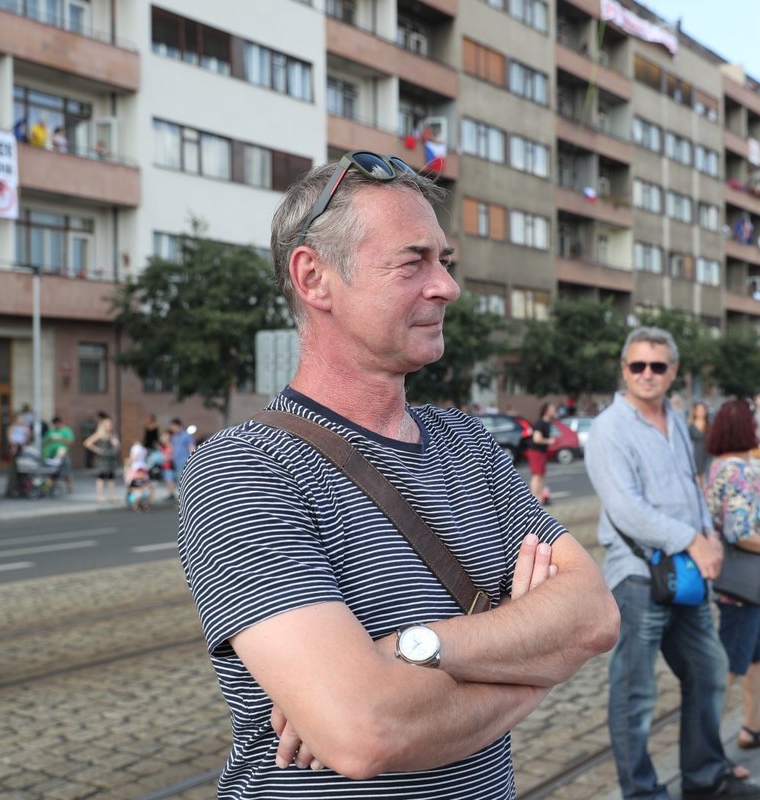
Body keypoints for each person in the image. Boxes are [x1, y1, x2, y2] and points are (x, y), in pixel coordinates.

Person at [176, 152, 617, 798]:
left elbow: (595, 615)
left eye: (444, 261)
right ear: (315, 279)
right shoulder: (244, 470)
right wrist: (535, 649)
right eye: (414, 262)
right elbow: (366, 731)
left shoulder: (466, 442)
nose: (447, 287)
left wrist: (412, 648)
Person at [586, 326, 760, 800]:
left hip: (685, 574)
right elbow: (625, 508)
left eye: (657, 366)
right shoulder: (609, 428)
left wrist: (708, 533)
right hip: (638, 577)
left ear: (674, 373)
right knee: (636, 694)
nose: (647, 374)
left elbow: (692, 484)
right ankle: (642, 793)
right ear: (624, 371)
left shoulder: (677, 419)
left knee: (709, 672)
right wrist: (692, 540)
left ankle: (704, 778)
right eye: (637, 366)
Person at [703, 400, 760, 753]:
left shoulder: (719, 467)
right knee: (729, 664)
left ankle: (752, 727)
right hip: (740, 588)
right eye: (754, 427)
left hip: (748, 588)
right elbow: (739, 531)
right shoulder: (737, 473)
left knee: (758, 654)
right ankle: (708, 754)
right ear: (746, 430)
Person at [83, 416, 120, 504]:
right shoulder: (99, 434)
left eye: (110, 424)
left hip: (111, 458)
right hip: (102, 459)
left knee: (111, 477)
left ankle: (112, 496)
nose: (109, 426)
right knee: (101, 477)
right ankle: (100, 496)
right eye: (107, 425)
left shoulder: (112, 435)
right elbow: (87, 443)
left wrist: (116, 444)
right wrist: (98, 450)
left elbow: (117, 446)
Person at [528, 402, 557, 504]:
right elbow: (537, 439)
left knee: (542, 475)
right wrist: (549, 441)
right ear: (546, 411)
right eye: (552, 409)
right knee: (537, 475)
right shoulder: (540, 423)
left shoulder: (548, 423)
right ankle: (534, 498)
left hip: (542, 452)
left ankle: (540, 496)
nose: (554, 411)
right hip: (536, 452)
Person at [42, 415, 75, 491]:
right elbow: (45, 442)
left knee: (67, 472)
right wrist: (50, 439)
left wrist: (60, 439)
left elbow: (70, 442)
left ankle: (69, 487)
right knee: (52, 473)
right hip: (51, 455)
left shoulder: (66, 430)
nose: (56, 426)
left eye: (57, 424)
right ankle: (48, 487)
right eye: (54, 424)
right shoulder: (51, 431)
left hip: (63, 455)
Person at [168, 418, 196, 493]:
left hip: (185, 462)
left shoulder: (186, 436)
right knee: (179, 481)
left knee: (185, 481)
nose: (171, 428)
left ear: (177, 425)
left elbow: (191, 448)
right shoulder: (174, 437)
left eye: (172, 426)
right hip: (176, 462)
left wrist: (192, 460)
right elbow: (173, 448)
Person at [124, 443, 152, 511]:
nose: (140, 474)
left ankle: (145, 505)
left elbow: (148, 485)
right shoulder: (133, 480)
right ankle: (135, 506)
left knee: (149, 490)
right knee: (139, 493)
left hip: (141, 493)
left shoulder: (143, 478)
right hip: (135, 495)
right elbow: (130, 489)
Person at [688, 401, 711, 484]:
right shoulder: (691, 426)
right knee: (698, 479)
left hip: (709, 455)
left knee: (709, 477)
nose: (701, 412)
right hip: (697, 454)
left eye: (702, 410)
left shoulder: (710, 425)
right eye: (699, 410)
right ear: (695, 412)